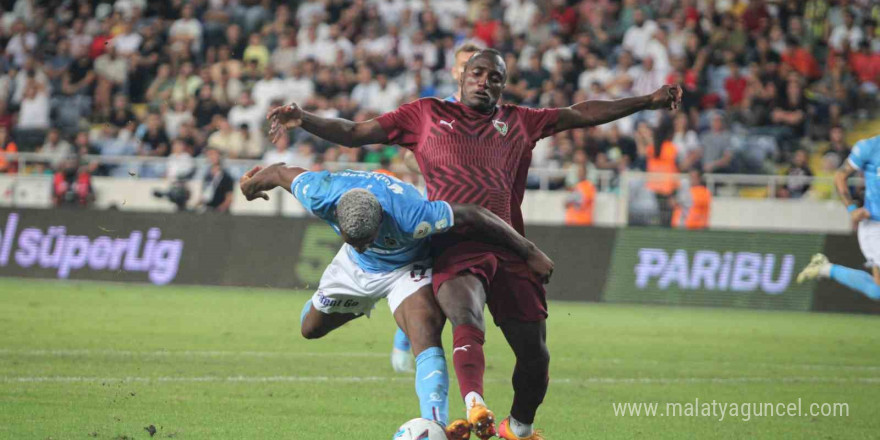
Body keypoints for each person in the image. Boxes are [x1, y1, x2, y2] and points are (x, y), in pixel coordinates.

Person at [266, 48, 681, 440]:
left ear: (503, 86)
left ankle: (516, 428)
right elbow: (356, 132)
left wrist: (646, 101)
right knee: (465, 316)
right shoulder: (426, 114)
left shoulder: (520, 120)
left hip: (511, 245)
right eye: (478, 73)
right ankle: (474, 405)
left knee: (535, 356)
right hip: (455, 244)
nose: (485, 82)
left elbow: (580, 114)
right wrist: (304, 119)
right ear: (462, 76)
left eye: (495, 78)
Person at [238, 164, 553, 440]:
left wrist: (528, 251)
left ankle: (436, 425)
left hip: (408, 269)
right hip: (355, 269)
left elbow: (475, 215)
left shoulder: (411, 213)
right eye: (355, 240)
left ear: (381, 221)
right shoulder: (320, 193)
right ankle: (363, 306)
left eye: (369, 239)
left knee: (425, 333)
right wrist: (251, 185)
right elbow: (280, 172)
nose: (363, 245)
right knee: (310, 329)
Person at [394, 42, 481, 373]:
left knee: (468, 290)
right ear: (455, 72)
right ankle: (409, 339)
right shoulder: (437, 111)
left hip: (481, 215)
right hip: (439, 212)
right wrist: (437, 164)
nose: (471, 72)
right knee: (434, 283)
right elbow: (406, 155)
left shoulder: (499, 116)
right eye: (465, 66)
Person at [798, 134, 880, 301]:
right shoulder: (869, 147)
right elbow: (840, 176)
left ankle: (825, 268)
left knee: (877, 292)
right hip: (875, 227)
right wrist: (852, 209)